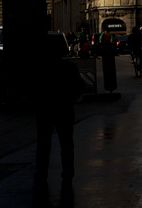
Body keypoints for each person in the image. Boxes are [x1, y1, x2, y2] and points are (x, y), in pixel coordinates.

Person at [33, 33, 84, 198]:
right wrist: (70, 99)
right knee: (67, 144)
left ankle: (41, 175)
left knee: (43, 144)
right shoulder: (70, 68)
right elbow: (79, 87)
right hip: (64, 109)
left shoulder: (40, 68)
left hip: (45, 109)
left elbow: (32, 89)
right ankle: (68, 175)